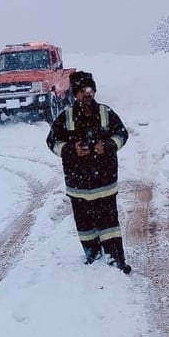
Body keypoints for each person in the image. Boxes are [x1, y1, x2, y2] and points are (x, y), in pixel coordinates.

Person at [46, 71, 131, 273]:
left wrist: (108, 146)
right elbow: (52, 141)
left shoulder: (105, 112)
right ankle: (92, 256)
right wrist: (70, 150)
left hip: (105, 184)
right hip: (78, 187)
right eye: (83, 90)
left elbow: (122, 134)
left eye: (90, 89)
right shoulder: (66, 117)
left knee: (110, 225)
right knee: (85, 227)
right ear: (75, 94)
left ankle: (115, 259)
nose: (88, 94)